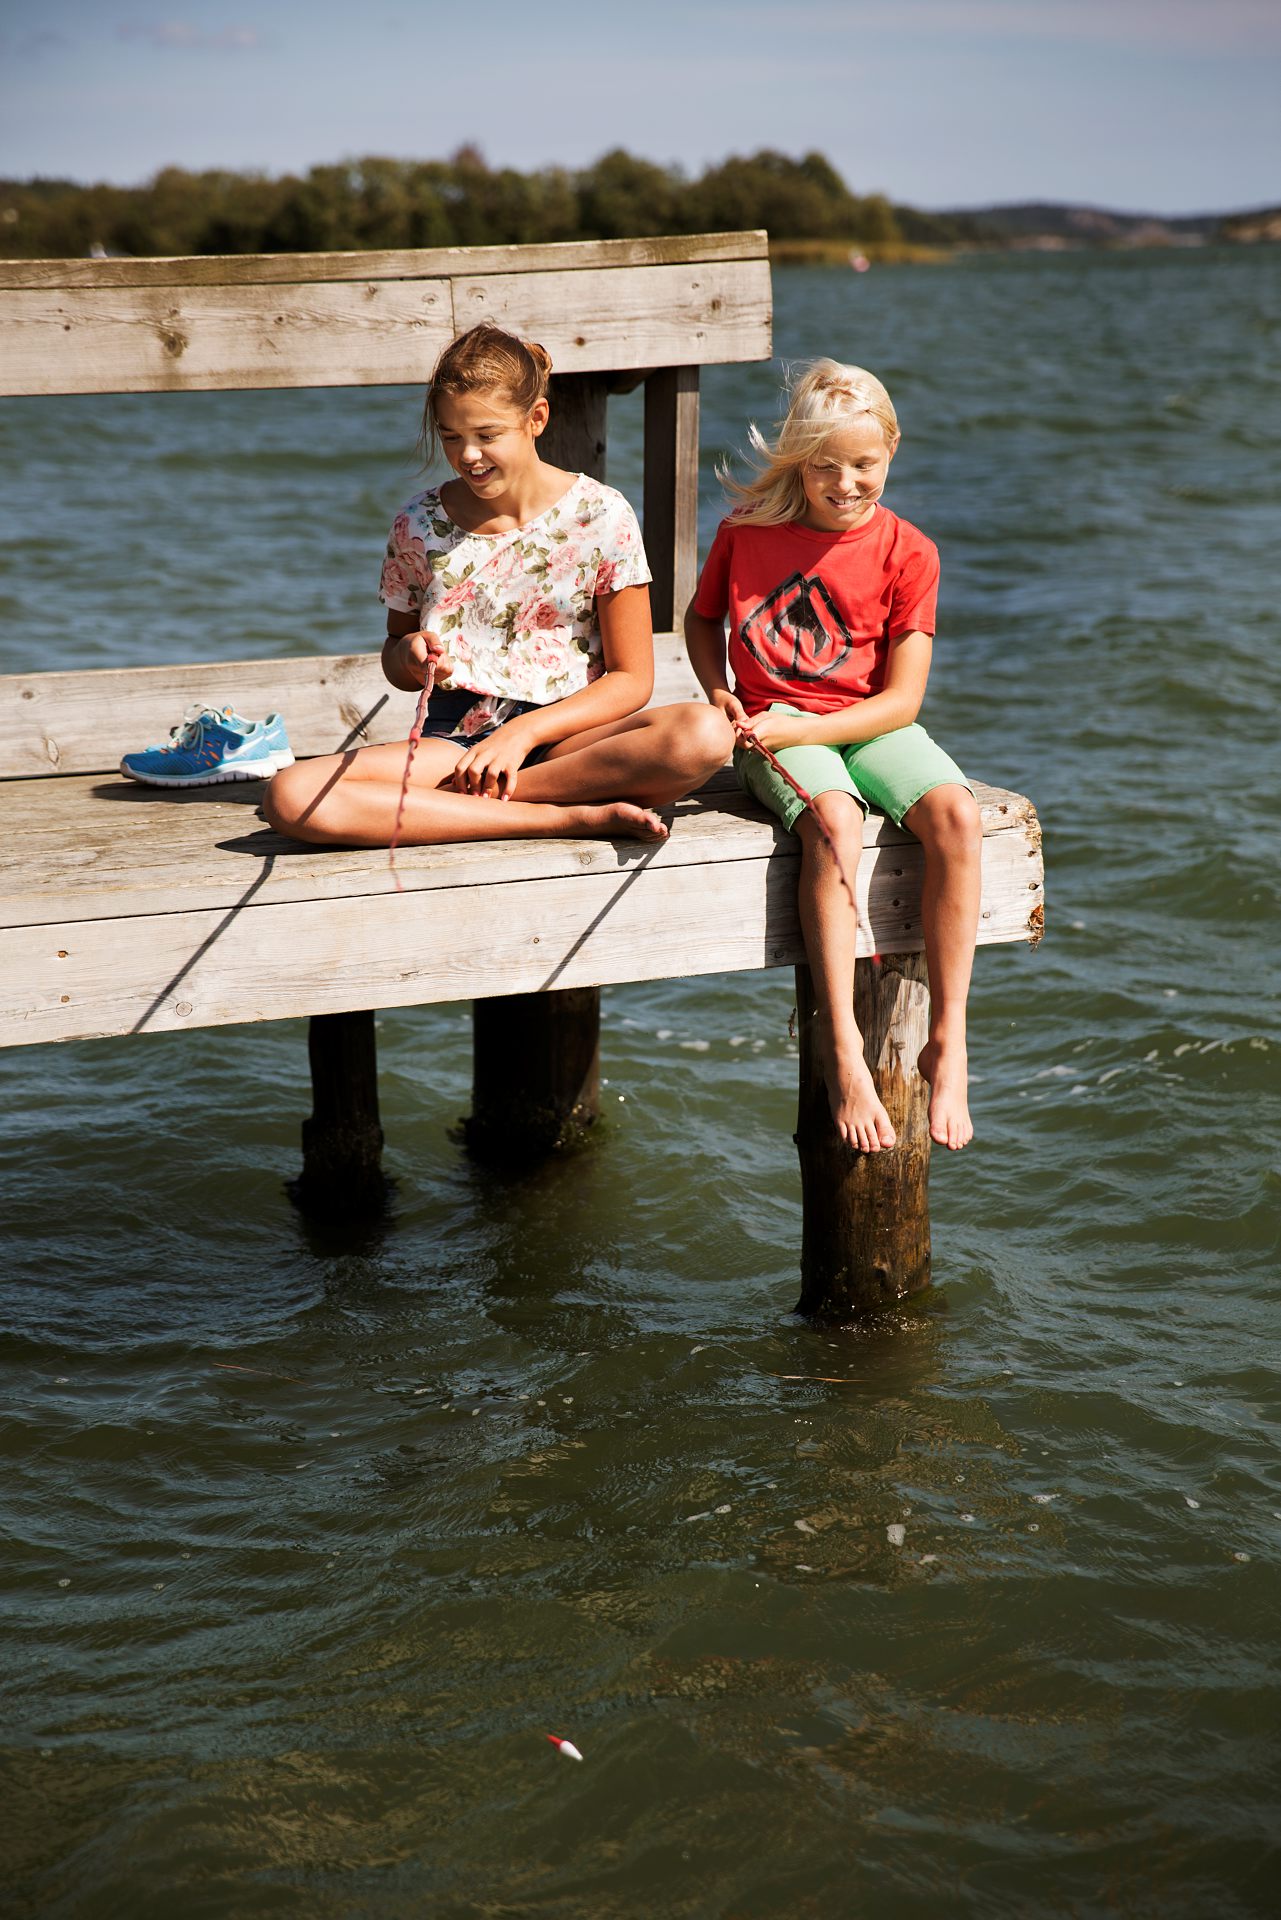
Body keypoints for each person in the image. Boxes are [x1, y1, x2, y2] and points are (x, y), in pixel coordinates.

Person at [264, 323, 731, 850]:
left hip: (571, 745)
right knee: (292, 793)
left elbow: (631, 679)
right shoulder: (417, 525)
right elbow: (395, 653)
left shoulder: (601, 514)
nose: (468, 455)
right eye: (451, 436)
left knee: (705, 734)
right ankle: (562, 818)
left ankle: (473, 805)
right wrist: (410, 657)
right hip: (456, 746)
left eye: (487, 436)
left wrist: (522, 735)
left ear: (536, 419)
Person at [684, 359, 981, 1154]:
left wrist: (810, 732)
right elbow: (701, 620)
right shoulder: (744, 531)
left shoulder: (909, 552)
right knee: (834, 818)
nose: (844, 483)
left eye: (863, 464)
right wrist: (721, 695)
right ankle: (845, 1051)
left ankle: (949, 1039)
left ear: (890, 451)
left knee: (956, 814)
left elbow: (902, 704)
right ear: (797, 460)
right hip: (774, 724)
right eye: (824, 466)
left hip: (866, 723)